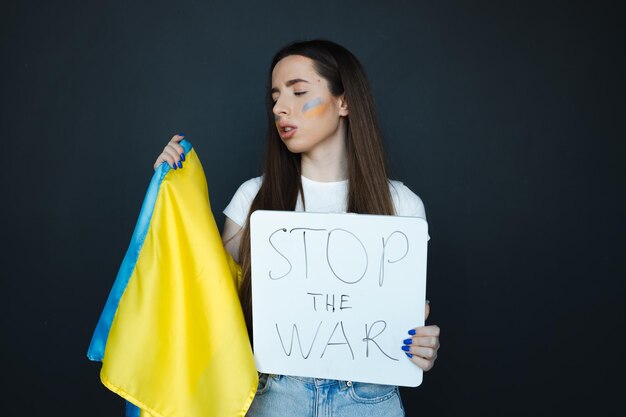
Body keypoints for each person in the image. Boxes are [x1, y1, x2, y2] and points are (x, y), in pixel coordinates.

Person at [152, 39, 440, 417]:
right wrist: (170, 190)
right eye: (274, 98)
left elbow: (408, 319)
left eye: (299, 91)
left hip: (369, 398)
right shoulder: (253, 198)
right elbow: (209, 297)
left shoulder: (402, 205)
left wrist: (421, 346)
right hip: (275, 395)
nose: (279, 108)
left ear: (344, 102)